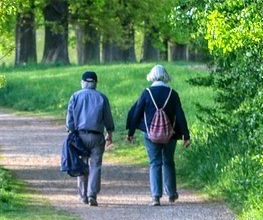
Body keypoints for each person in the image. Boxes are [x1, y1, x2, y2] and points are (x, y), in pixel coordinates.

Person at [126, 64, 191, 206]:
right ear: (165, 76)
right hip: (170, 134)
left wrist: (131, 132)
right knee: (168, 161)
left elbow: (137, 113)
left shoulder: (146, 92)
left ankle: (155, 197)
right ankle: (172, 194)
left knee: (155, 163)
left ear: (152, 76)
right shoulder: (172, 94)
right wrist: (186, 135)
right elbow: (180, 115)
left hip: (151, 135)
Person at [66, 70, 114, 206]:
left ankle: (82, 196)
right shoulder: (102, 98)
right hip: (97, 137)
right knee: (96, 166)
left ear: (83, 82)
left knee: (82, 164)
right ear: (95, 83)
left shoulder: (75, 96)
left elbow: (69, 119)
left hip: (80, 136)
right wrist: (109, 133)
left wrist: (71, 131)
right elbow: (107, 118)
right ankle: (92, 195)